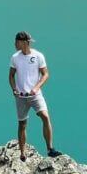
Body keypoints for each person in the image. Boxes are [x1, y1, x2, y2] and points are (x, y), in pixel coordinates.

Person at [9, 31, 62, 160]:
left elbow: (45, 74)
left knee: (45, 116)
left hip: (35, 94)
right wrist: (14, 89)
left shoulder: (38, 56)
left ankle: (50, 149)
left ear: (24, 42)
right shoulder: (15, 57)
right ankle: (22, 154)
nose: (15, 44)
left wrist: (36, 87)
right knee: (22, 124)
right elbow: (11, 76)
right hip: (21, 96)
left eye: (17, 42)